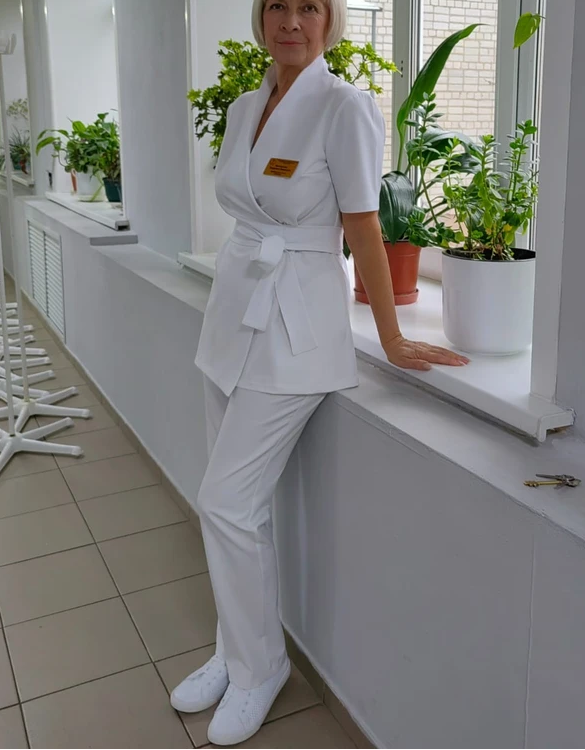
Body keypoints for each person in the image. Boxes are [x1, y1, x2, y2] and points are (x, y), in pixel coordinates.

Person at [170, 0, 469, 744]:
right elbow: (244, 204)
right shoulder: (244, 107)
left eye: (310, 7)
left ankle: (261, 668)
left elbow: (363, 223)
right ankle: (234, 650)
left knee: (225, 502)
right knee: (237, 509)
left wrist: (392, 336)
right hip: (231, 318)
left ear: (330, 21)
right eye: (278, 5)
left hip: (295, 328)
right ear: (261, 18)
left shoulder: (344, 107)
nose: (291, 21)